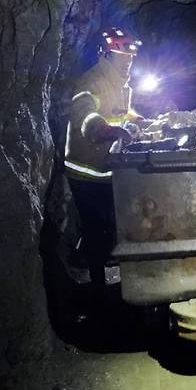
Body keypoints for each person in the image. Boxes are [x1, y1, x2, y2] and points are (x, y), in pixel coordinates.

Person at [65, 27, 144, 291]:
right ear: (107, 56)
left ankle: (105, 275)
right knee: (94, 227)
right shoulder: (91, 82)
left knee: (109, 223)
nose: (127, 63)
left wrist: (137, 120)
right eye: (122, 58)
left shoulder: (121, 85)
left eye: (130, 59)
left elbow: (119, 111)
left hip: (107, 169)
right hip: (86, 170)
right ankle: (94, 283)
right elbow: (84, 114)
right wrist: (106, 130)